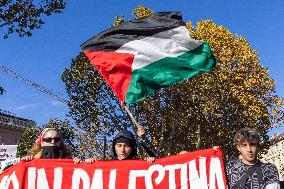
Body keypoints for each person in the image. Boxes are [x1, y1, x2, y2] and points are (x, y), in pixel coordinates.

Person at [85, 129, 155, 163]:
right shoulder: (106, 166)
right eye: (119, 146)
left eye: (126, 146)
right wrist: (87, 164)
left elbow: (163, 162)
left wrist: (153, 161)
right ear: (114, 147)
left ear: (132, 148)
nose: (122, 150)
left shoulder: (140, 165)